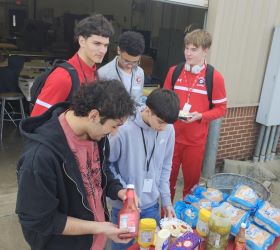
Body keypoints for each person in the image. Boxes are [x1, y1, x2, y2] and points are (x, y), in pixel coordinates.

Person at [16, 80, 136, 250]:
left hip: (95, 241)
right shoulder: (40, 158)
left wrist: (118, 190)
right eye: (114, 126)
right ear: (94, 115)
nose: (114, 133)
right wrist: (100, 227)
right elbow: (39, 220)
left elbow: (98, 172)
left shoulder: (97, 136)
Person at [108, 88, 180, 249]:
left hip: (152, 206)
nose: (163, 128)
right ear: (148, 110)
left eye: (167, 124)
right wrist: (125, 191)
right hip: (125, 207)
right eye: (160, 122)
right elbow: (107, 164)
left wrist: (167, 202)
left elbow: (166, 166)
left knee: (150, 246)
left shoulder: (168, 129)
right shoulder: (123, 129)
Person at [163, 29, 227, 201]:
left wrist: (201, 116)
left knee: (191, 187)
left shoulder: (214, 77)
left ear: (205, 50)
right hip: (171, 138)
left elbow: (221, 108)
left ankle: (186, 218)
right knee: (166, 182)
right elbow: (164, 99)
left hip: (195, 142)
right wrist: (170, 111)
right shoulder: (174, 71)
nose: (188, 53)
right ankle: (164, 220)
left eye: (194, 49)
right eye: (186, 48)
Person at [31, 14, 113, 117]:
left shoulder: (94, 74)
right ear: (82, 41)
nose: (102, 50)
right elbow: (36, 121)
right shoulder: (63, 77)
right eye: (97, 43)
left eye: (105, 45)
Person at [98, 31, 145, 103]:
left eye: (135, 62)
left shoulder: (140, 72)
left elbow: (139, 99)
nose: (130, 66)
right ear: (119, 50)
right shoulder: (103, 74)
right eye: (126, 61)